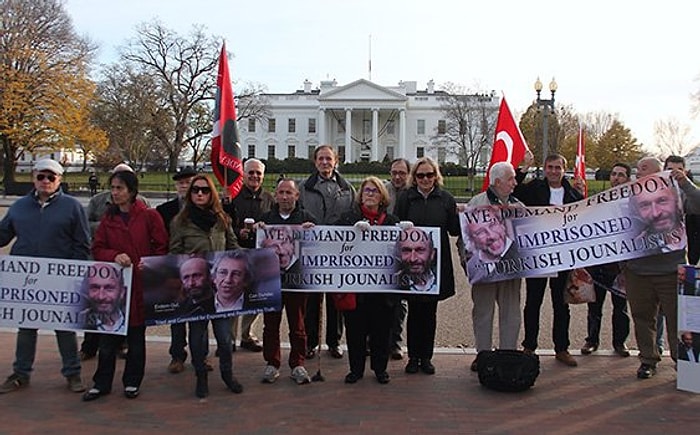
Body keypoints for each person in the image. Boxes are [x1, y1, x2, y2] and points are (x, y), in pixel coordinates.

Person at [0, 159, 89, 394]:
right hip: (26, 280)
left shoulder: (72, 207)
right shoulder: (19, 207)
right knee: (27, 327)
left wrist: (76, 274)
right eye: (41, 177)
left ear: (59, 180)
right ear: (33, 178)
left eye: (51, 177)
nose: (46, 181)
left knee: (64, 328)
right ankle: (20, 373)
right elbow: (3, 235)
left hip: (60, 280)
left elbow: (82, 243)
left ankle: (73, 373)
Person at [85, 168, 168, 401]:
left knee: (136, 339)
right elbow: (98, 248)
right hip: (113, 288)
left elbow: (161, 246)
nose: (114, 192)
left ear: (131, 191)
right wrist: (114, 255)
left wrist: (149, 265)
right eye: (112, 188)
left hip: (140, 286)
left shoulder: (149, 216)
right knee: (108, 340)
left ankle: (132, 381)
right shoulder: (108, 219)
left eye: (119, 188)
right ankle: (101, 382)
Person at [624, 156, 700, 379]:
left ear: (658, 173)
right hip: (638, 270)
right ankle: (648, 359)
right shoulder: (627, 196)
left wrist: (685, 183)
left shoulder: (678, 194)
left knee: (678, 319)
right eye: (637, 169)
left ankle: (683, 362)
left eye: (644, 169)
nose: (639, 173)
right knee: (642, 317)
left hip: (671, 269)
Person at [169, 174, 243, 398]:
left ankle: (227, 375)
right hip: (196, 290)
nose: (200, 194)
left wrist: (249, 257)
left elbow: (233, 246)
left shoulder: (222, 220)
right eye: (195, 190)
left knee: (224, 337)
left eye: (204, 190)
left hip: (219, 288)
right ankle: (201, 376)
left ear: (211, 193)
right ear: (190, 194)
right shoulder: (180, 222)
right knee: (198, 337)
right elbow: (173, 253)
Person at [513, 152, 584, 367]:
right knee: (533, 302)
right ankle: (529, 345)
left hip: (563, 258)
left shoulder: (573, 195)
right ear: (544, 169)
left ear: (564, 169)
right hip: (538, 257)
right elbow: (513, 189)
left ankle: (561, 348)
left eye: (557, 168)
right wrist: (524, 167)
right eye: (550, 167)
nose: (553, 171)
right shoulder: (534, 189)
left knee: (561, 305)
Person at [395, 156, 460, 375]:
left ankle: (426, 357)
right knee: (414, 312)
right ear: (415, 177)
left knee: (430, 313)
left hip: (436, 264)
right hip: (412, 263)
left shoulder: (445, 199)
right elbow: (397, 226)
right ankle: (413, 357)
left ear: (436, 176)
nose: (425, 179)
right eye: (420, 175)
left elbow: (454, 229)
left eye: (429, 175)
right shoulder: (406, 198)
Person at [80, 163, 150, 362]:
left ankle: (124, 344)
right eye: (114, 185)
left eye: (122, 183)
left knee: (129, 312)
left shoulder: (143, 204)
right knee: (99, 306)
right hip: (106, 266)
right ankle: (89, 346)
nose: (116, 190)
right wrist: (105, 226)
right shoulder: (98, 201)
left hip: (132, 269)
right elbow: (87, 226)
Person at [337, 176, 400, 384]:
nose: (370, 194)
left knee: (381, 331)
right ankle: (355, 369)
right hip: (356, 288)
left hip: (383, 291)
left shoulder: (391, 222)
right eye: (366, 191)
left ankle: (380, 369)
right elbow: (329, 240)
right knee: (355, 331)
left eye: (374, 191)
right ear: (360, 196)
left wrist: (408, 233)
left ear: (382, 196)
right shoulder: (348, 219)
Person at [462, 161, 523, 372]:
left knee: (511, 313)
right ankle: (483, 355)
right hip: (484, 274)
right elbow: (464, 239)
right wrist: (468, 264)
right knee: (483, 312)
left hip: (511, 272)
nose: (515, 183)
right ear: (497, 182)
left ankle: (508, 354)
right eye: (511, 179)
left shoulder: (518, 206)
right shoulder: (476, 203)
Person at [299, 145, 356, 359]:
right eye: (321, 159)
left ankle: (334, 341)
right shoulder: (304, 187)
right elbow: (297, 213)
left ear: (336, 161)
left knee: (336, 301)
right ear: (315, 162)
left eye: (328, 159)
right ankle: (311, 342)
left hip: (337, 252)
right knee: (312, 301)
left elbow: (353, 214)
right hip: (312, 251)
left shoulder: (346, 188)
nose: (325, 162)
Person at [258, 179, 317, 385]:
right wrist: (256, 230)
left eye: (289, 193)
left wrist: (313, 231)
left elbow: (317, 249)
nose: (284, 197)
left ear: (296, 196)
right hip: (271, 281)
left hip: (297, 281)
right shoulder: (266, 219)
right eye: (281, 193)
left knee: (298, 324)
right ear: (276, 195)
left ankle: (297, 363)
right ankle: (272, 363)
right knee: (270, 324)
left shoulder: (306, 218)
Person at [156, 166, 208, 374]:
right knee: (177, 317)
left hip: (199, 270)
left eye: (189, 183)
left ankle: (201, 357)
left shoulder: (206, 210)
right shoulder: (165, 210)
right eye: (181, 183)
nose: (184, 186)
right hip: (174, 268)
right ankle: (177, 355)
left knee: (201, 316)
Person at [581, 163, 632, 358]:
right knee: (595, 305)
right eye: (614, 174)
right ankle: (591, 340)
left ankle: (620, 342)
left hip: (620, 265)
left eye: (621, 175)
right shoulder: (597, 202)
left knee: (620, 307)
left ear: (627, 179)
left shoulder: (632, 203)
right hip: (599, 263)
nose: (616, 178)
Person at [224, 158, 274, 353]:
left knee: (255, 298)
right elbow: (224, 223)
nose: (254, 176)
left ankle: (247, 335)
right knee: (233, 297)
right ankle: (229, 339)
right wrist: (239, 232)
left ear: (263, 176)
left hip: (259, 254)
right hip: (237, 251)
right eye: (251, 172)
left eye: (258, 173)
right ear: (243, 174)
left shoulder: (269, 199)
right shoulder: (233, 197)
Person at [385, 158, 411, 360]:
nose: (397, 176)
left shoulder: (412, 194)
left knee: (400, 301)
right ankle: (372, 340)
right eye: (394, 172)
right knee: (377, 299)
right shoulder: (383, 189)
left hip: (404, 252)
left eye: (402, 173)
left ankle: (394, 342)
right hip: (382, 252)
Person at [81, 264, 127, 333]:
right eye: (95, 288)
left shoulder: (131, 322)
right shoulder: (78, 322)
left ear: (122, 292)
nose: (101, 297)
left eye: (109, 288)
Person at [396, 227, 438, 292]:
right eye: (407, 251)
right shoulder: (393, 285)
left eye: (420, 250)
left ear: (432, 254)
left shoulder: (440, 283)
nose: (413, 259)